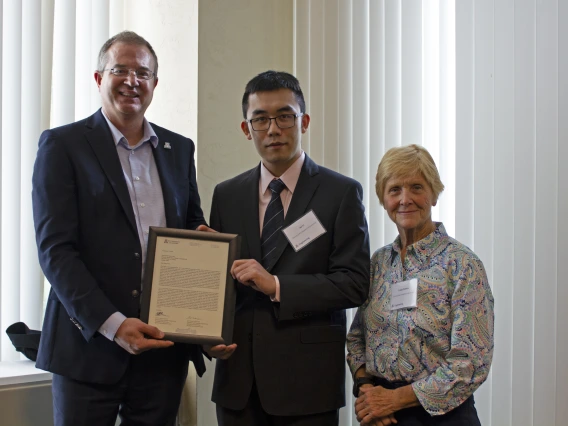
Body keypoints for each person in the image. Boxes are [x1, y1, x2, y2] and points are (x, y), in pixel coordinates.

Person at [32, 31, 208, 426]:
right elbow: (55, 251)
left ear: (155, 85)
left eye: (143, 73)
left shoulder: (179, 149)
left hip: (163, 346)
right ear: (99, 78)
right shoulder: (63, 145)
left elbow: (190, 222)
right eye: (121, 70)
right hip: (88, 348)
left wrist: (204, 241)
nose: (132, 81)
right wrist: (113, 325)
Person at [204, 70, 370, 426]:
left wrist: (277, 286)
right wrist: (205, 335)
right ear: (246, 129)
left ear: (304, 121)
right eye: (260, 119)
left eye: (284, 116)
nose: (273, 129)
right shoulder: (227, 195)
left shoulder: (339, 194)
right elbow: (220, 287)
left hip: (306, 384)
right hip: (238, 384)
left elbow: (354, 282)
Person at [347, 144, 494, 426]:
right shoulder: (378, 263)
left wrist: (394, 399)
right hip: (381, 416)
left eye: (417, 187)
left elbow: (470, 364)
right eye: (394, 190)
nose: (405, 199)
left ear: (433, 194)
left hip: (443, 417)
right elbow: (356, 341)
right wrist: (368, 392)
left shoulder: (462, 264)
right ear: (383, 199)